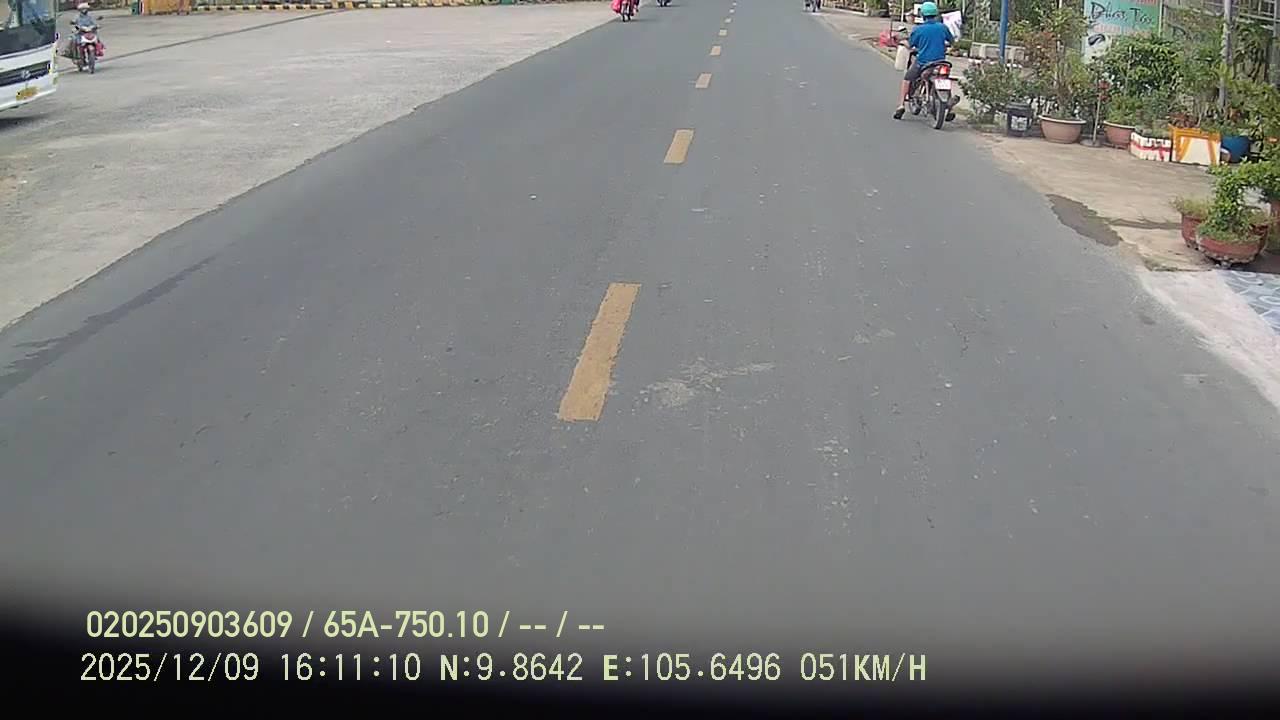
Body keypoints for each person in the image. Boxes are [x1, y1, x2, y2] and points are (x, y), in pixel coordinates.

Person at [893, 2, 953, 120]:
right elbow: (951, 41)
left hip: (923, 62)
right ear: (935, 14)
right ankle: (950, 107)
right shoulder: (943, 27)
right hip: (941, 62)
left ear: (922, 15)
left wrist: (903, 42)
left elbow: (911, 45)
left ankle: (901, 105)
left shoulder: (918, 29)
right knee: (944, 79)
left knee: (907, 78)